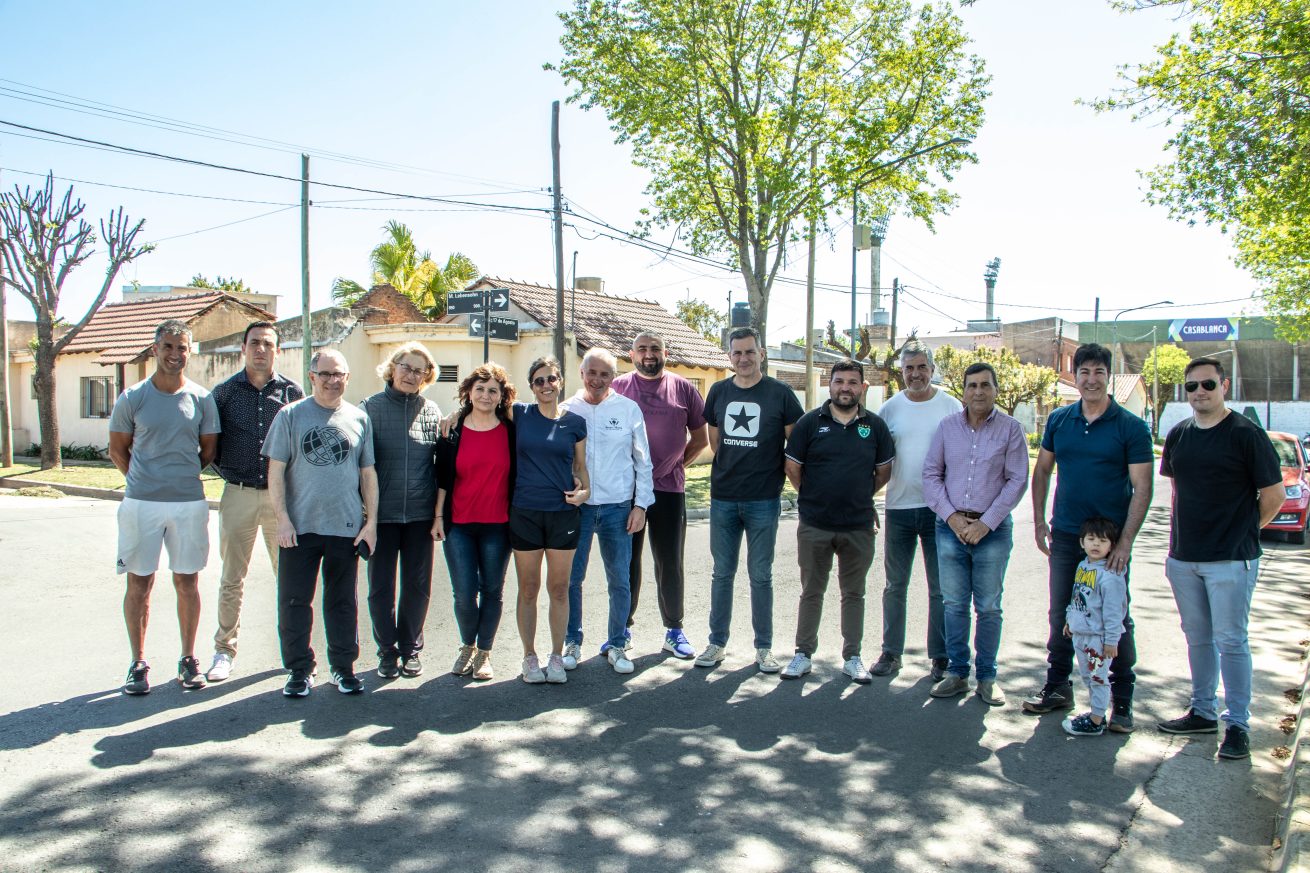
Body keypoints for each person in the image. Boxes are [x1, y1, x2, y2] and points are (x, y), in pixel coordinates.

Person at [1156, 357, 1284, 760]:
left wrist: (1243, 532)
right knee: (1197, 638)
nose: (1199, 393)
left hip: (1231, 559)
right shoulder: (1179, 435)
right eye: (1192, 387)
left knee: (1232, 641)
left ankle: (1238, 724)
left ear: (1223, 385)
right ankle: (1203, 710)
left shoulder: (1247, 435)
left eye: (1207, 385)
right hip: (1184, 558)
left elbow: (1275, 496)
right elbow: (1179, 491)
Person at [1027, 343, 1153, 731]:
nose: (1091, 379)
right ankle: (1058, 686)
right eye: (1085, 372)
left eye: (1099, 372)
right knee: (1061, 612)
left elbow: (1142, 487)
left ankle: (1123, 702)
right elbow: (1043, 471)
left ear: (1108, 377)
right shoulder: (1061, 420)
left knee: (1115, 619)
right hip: (1067, 536)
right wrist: (1039, 522)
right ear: (1076, 376)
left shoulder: (1130, 427)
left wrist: (1126, 543)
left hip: (1110, 545)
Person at [110, 319, 221, 695]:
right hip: (141, 503)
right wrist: (144, 481)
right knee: (139, 582)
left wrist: (177, 477)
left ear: (190, 352)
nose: (175, 354)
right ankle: (137, 663)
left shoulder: (202, 399)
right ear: (155, 349)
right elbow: (117, 449)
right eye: (169, 347)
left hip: (188, 503)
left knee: (187, 581)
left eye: (182, 348)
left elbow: (208, 451)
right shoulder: (133, 397)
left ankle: (188, 660)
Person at [264, 349, 378, 697]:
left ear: (347, 377)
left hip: (344, 527)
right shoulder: (290, 416)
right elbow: (276, 471)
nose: (332, 381)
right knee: (295, 601)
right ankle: (299, 670)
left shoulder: (359, 419)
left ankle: (343, 669)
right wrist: (282, 519)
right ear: (312, 377)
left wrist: (371, 523)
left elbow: (368, 473)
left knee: (342, 602)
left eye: (338, 374)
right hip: (299, 528)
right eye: (325, 374)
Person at [697, 326, 804, 672]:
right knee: (722, 573)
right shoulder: (717, 392)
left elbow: (796, 446)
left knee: (761, 575)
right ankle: (716, 643)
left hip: (763, 499)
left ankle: (764, 648)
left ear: (761, 353)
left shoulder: (781, 394)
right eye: (737, 353)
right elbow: (716, 443)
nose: (743, 358)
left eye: (749, 351)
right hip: (723, 497)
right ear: (729, 357)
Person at [780, 360, 894, 684]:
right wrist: (814, 495)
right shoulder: (809, 423)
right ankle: (802, 654)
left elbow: (884, 471)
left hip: (858, 526)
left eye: (852, 382)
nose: (846, 387)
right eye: (840, 381)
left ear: (862, 387)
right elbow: (792, 467)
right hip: (815, 524)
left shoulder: (875, 426)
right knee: (811, 591)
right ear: (829, 385)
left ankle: (853, 657)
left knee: (854, 594)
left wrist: (858, 495)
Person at [922, 362, 1029, 705]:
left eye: (985, 385)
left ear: (996, 390)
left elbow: (1017, 479)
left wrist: (987, 523)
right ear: (964, 391)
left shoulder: (1011, 429)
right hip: (950, 528)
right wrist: (952, 518)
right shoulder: (947, 427)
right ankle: (957, 673)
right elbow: (931, 475)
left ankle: (987, 677)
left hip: (992, 531)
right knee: (953, 605)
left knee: (989, 606)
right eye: (972, 386)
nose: (979, 391)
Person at [206, 321, 303, 682]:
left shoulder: (293, 393)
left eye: (268, 344)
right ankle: (224, 650)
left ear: (277, 350)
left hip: (282, 501)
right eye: (254, 343)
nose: (261, 349)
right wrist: (230, 472)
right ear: (244, 348)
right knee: (232, 578)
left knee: (290, 578)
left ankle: (293, 651)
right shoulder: (225, 393)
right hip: (239, 494)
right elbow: (210, 444)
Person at [611, 330, 708, 660]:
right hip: (627, 492)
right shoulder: (618, 387)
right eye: (642, 349)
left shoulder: (683, 388)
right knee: (627, 562)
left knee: (669, 562)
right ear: (632, 353)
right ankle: (622, 630)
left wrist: (675, 464)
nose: (648, 354)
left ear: (665, 352)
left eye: (655, 348)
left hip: (668, 490)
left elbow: (700, 438)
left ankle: (674, 630)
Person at [560, 349, 654, 675]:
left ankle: (617, 643)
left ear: (613, 378)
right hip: (578, 510)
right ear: (582, 373)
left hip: (617, 508)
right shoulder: (567, 410)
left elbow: (643, 461)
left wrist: (641, 504)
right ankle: (571, 641)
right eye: (592, 372)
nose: (597, 380)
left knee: (620, 580)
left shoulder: (628, 410)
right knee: (572, 579)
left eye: (605, 374)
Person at [872, 339, 961, 680]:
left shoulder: (951, 406)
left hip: (940, 511)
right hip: (899, 507)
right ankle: (891, 654)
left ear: (932, 369)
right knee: (895, 585)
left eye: (921, 367)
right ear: (902, 372)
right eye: (909, 368)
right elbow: (875, 458)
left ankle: (940, 657)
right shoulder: (891, 409)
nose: (915, 374)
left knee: (940, 588)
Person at [360, 343, 442, 680]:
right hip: (381, 517)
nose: (411, 375)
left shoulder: (432, 411)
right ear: (392, 368)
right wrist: (366, 516)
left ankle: (410, 649)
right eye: (406, 368)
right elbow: (360, 466)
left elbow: (441, 464)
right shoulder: (369, 409)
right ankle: (386, 651)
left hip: (420, 516)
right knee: (380, 587)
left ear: (427, 376)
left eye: (419, 371)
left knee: (418, 586)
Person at [435, 362, 517, 682]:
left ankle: (484, 653)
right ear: (469, 392)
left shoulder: (511, 430)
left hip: (499, 525)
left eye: (492, 390)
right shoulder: (451, 430)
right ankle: (467, 645)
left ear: (501, 396)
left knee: (492, 591)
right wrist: (438, 517)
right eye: (479, 389)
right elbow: (442, 477)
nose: (485, 395)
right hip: (460, 525)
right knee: (464, 593)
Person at [510, 356, 590, 684]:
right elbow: (478, 404)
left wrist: (585, 492)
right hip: (525, 512)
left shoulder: (574, 423)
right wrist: (457, 413)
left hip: (563, 514)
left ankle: (556, 656)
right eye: (539, 380)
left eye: (551, 379)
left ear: (560, 382)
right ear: (531, 386)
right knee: (528, 588)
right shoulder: (518, 414)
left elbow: (580, 468)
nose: (546, 385)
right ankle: (529, 656)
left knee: (559, 588)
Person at [1060, 517, 1128, 737]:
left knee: (1098, 678)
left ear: (1112, 546)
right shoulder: (1083, 567)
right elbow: (1077, 595)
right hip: (1081, 634)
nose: (1096, 545)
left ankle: (1097, 720)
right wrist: (1071, 620)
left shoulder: (1110, 576)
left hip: (1098, 638)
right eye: (1091, 539)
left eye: (1103, 541)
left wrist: (1111, 640)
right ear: (1082, 542)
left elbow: (1114, 612)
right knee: (1089, 677)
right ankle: (1095, 713)